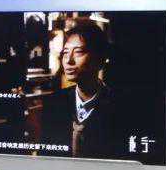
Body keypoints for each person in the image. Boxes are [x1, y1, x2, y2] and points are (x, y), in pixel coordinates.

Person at [50, 21, 125, 158]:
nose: (68, 60)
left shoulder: (119, 107)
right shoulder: (55, 102)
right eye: (65, 53)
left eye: (78, 52)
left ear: (100, 59)